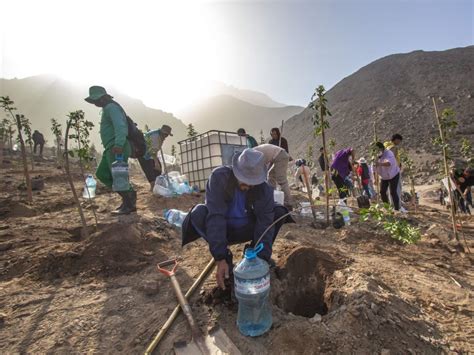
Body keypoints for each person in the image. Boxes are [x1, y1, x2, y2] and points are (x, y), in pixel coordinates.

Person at [181, 149, 294, 290]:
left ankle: (254, 254)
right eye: (245, 179)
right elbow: (216, 217)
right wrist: (220, 257)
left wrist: (261, 260)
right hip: (224, 230)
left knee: (278, 211)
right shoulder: (219, 178)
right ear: (236, 171)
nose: (249, 185)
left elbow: (265, 225)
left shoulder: (263, 189)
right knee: (198, 213)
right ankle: (227, 262)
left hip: (247, 229)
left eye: (253, 181)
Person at [84, 85, 136, 215]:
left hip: (117, 146)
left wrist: (118, 144)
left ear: (102, 98)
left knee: (119, 176)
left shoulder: (111, 108)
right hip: (111, 147)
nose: (95, 103)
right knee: (102, 174)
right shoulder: (107, 108)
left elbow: (120, 126)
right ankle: (127, 198)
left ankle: (129, 203)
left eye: (95, 100)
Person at [254, 144, 292, 208]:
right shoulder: (254, 152)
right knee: (271, 175)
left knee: (281, 180)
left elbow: (262, 169)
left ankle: (288, 203)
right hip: (278, 155)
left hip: (280, 156)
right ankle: (271, 195)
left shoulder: (254, 155)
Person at [138, 125, 173, 190]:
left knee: (158, 170)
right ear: (163, 133)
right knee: (149, 170)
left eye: (167, 135)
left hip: (150, 153)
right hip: (143, 154)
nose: (166, 136)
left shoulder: (159, 135)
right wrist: (156, 163)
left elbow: (155, 150)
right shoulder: (155, 136)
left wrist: (157, 162)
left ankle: (158, 186)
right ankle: (153, 187)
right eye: (166, 134)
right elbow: (152, 151)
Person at [374, 142, 402, 211]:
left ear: (382, 149)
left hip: (394, 174)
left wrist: (379, 163)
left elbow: (389, 163)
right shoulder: (375, 156)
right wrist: (375, 178)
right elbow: (373, 168)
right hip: (384, 176)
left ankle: (397, 209)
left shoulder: (389, 153)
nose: (377, 152)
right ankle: (387, 208)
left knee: (393, 192)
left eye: (378, 150)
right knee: (382, 191)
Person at [384, 134, 403, 202]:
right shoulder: (393, 148)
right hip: (394, 171)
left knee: (391, 189)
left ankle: (394, 203)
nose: (399, 143)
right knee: (396, 189)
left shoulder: (386, 146)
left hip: (388, 171)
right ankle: (397, 205)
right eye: (399, 141)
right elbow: (392, 160)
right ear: (396, 139)